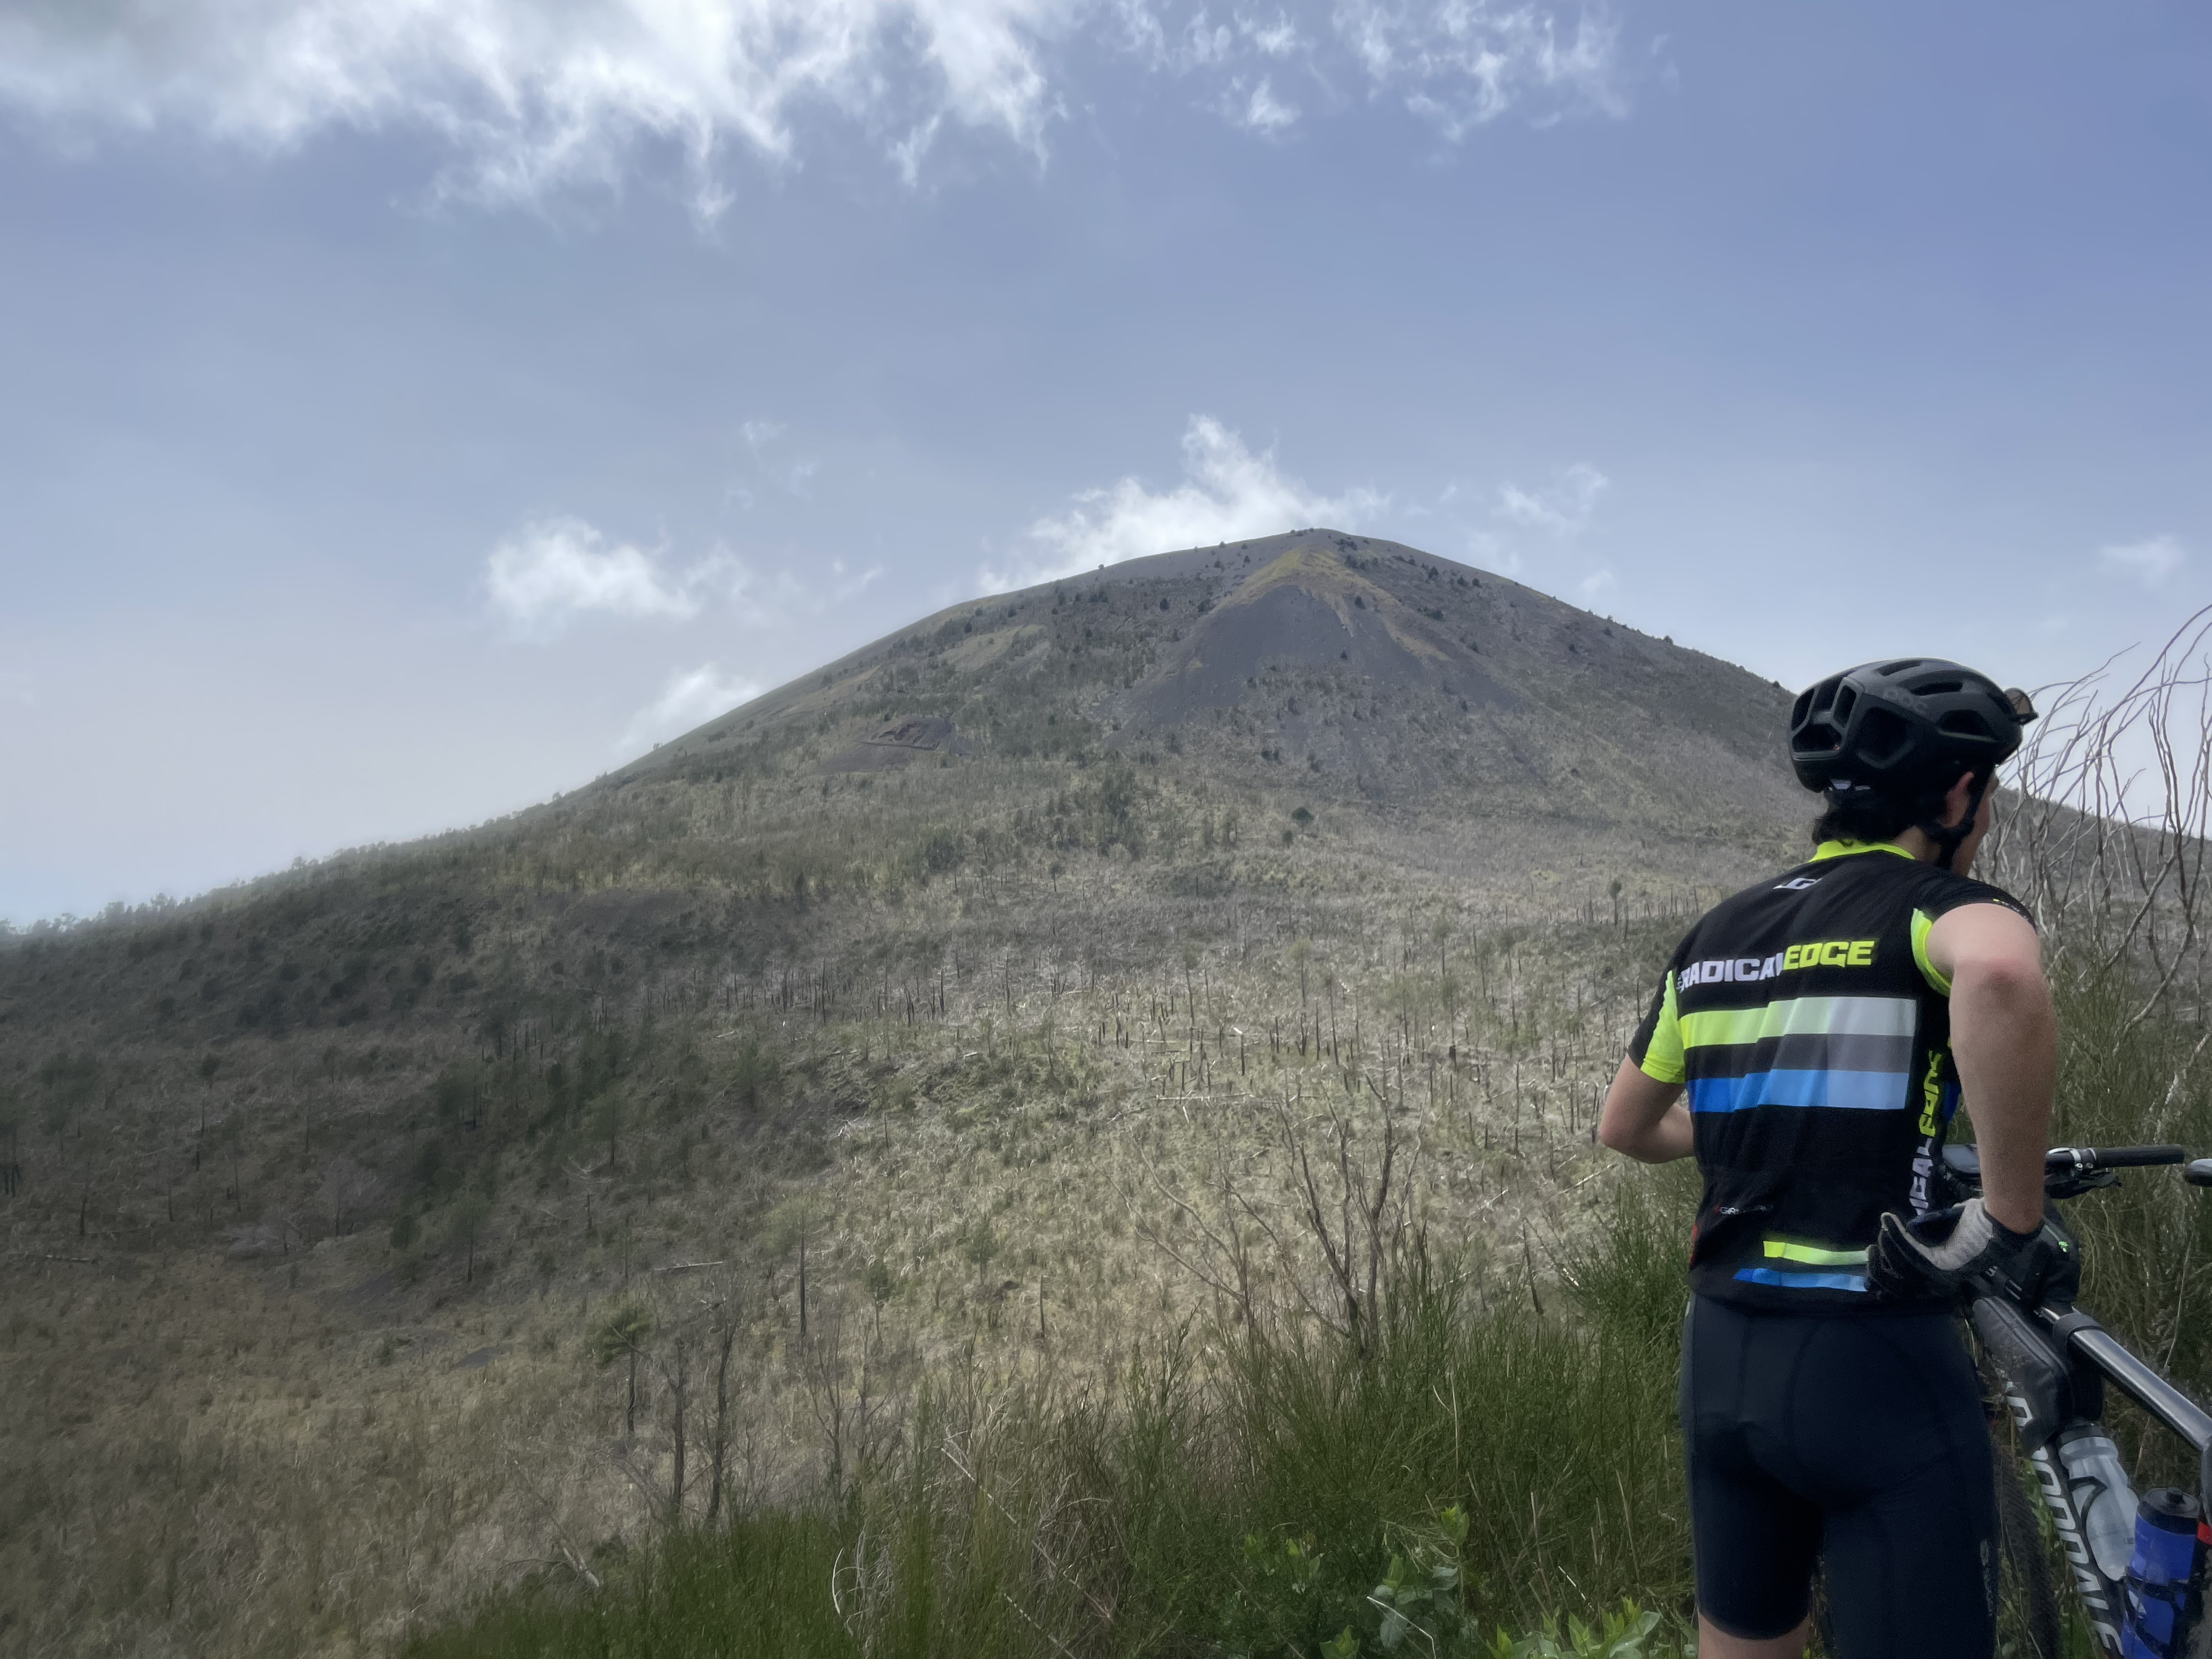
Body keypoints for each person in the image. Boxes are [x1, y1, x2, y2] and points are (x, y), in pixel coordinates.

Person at [1596, 659, 2061, 1659]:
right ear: (1956, 793)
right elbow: (2003, 974)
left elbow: (1627, 1127)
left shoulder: (1718, 932)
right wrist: (2010, 1219)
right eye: (1988, 794)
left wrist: (1736, 1142)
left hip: (1721, 1355)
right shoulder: (1937, 904)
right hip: (1874, 1360)